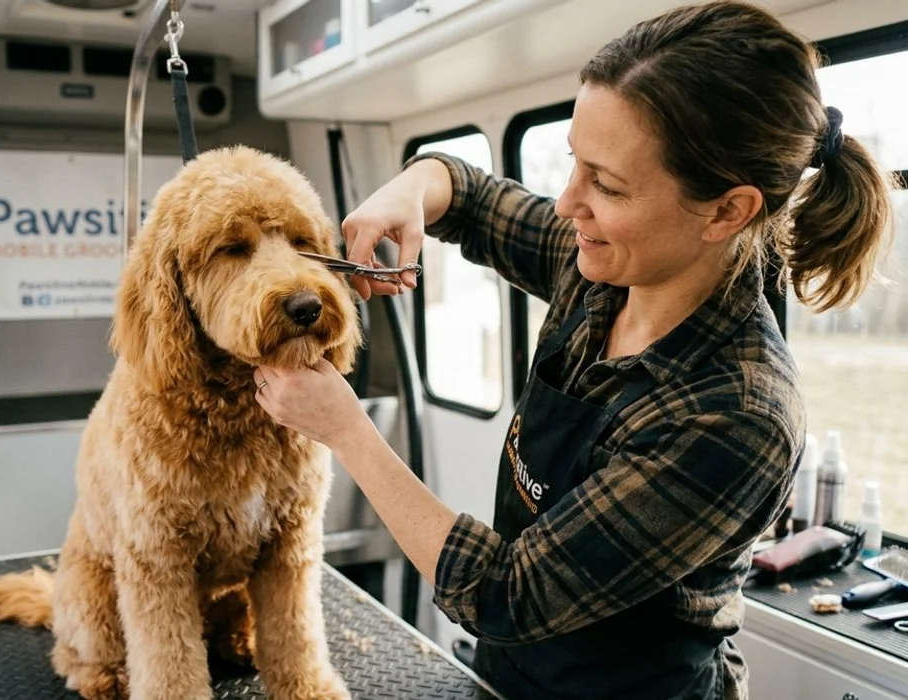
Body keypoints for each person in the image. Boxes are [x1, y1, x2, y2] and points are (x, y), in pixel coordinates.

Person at [252, 2, 896, 699]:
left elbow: (509, 596)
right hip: (512, 674)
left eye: (607, 185)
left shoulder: (737, 415)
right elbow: (466, 194)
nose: (566, 203)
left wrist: (347, 432)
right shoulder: (601, 271)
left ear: (726, 211)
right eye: (573, 164)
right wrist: (413, 185)